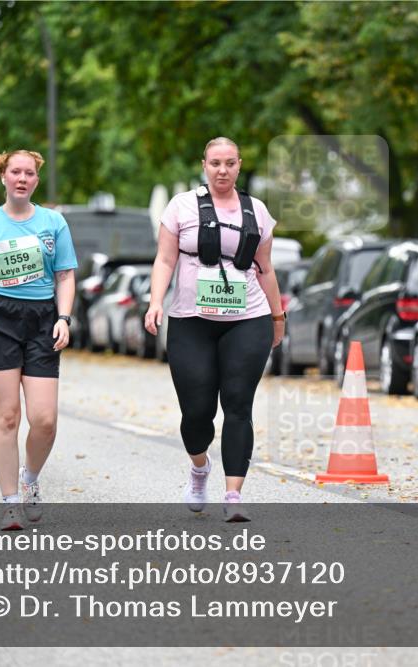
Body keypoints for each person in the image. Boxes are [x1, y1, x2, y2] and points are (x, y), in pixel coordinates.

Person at [145, 137, 285, 522]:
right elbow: (164, 259)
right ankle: (199, 467)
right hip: (192, 321)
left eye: (229, 163)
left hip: (247, 318)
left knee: (238, 404)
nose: (222, 170)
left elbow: (266, 269)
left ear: (239, 165)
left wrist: (277, 317)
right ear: (204, 165)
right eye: (215, 163)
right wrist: (156, 302)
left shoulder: (257, 211)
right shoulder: (182, 207)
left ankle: (233, 494)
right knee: (196, 412)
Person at [0, 149, 78, 531]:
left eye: (29, 173)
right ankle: (10, 502)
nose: (22, 178)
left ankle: (30, 478)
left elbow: (65, 276)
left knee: (44, 419)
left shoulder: (53, 222)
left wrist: (64, 317)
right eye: (15, 172)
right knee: (6, 416)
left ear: (36, 180)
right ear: (3, 177)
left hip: (42, 320)